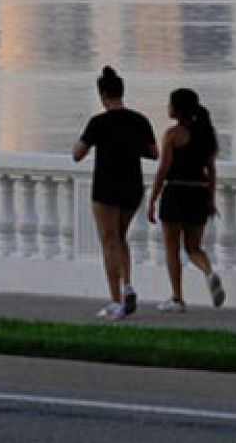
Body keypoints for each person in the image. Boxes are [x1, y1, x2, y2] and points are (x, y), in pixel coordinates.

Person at [73, 66, 157, 321]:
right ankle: (128, 284)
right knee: (120, 236)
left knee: (109, 240)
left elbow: (78, 154)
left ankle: (115, 300)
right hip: (132, 186)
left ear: (102, 95)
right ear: (121, 92)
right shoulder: (139, 120)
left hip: (106, 187)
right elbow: (154, 153)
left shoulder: (98, 123)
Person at [147, 88, 225, 313]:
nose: (168, 107)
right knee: (194, 248)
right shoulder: (206, 135)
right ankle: (209, 272)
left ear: (177, 109)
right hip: (199, 193)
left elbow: (163, 169)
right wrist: (210, 199)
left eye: (170, 104)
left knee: (172, 250)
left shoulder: (173, 134)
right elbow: (211, 171)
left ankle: (177, 298)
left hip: (176, 193)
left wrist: (153, 198)